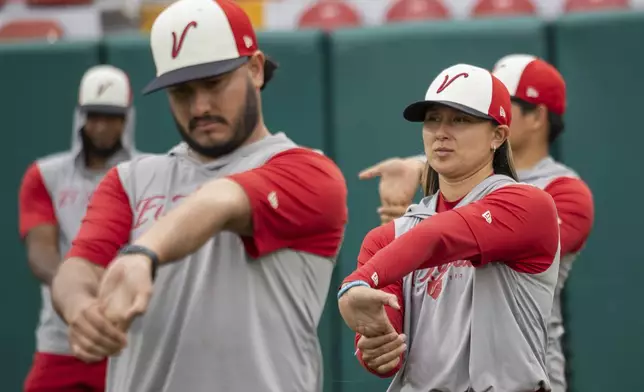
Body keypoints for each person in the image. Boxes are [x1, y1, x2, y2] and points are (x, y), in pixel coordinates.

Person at [50, 0, 348, 391]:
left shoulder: (310, 172)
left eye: (214, 83)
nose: (200, 106)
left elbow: (223, 200)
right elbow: (79, 269)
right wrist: (80, 310)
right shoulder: (129, 179)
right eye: (181, 91)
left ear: (255, 69)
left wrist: (143, 253)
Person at [361, 54, 595, 392]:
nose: (444, 129)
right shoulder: (445, 168)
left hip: (518, 364)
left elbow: (482, 236)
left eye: (463, 117)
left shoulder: (561, 192)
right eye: (436, 119)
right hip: (434, 368)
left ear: (536, 116)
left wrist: (368, 272)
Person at [19, 65, 138, 392]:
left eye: (112, 116)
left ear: (127, 119)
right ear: (80, 117)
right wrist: (77, 296)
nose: (101, 126)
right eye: (94, 115)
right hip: (62, 337)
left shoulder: (145, 173)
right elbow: (40, 251)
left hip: (127, 339)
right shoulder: (45, 175)